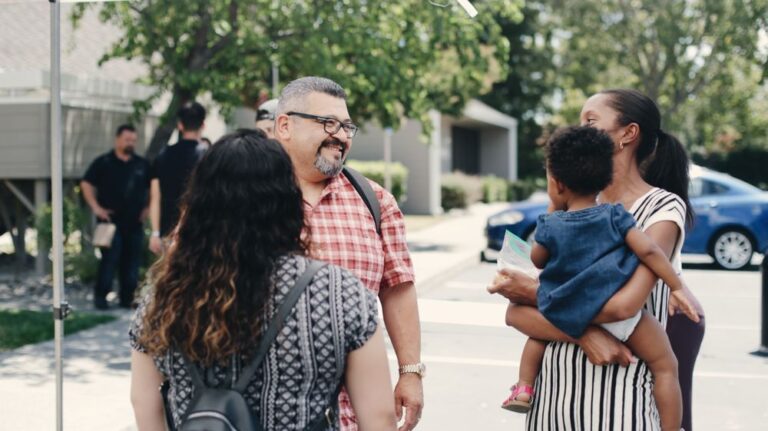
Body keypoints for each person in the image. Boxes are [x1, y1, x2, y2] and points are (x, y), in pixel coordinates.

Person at [129, 129, 397, 430]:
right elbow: (380, 418)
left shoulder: (166, 296)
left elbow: (143, 402)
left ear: (199, 204)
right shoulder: (339, 293)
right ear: (288, 200)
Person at [489, 89, 705, 431]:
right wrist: (585, 335)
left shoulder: (662, 208)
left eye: (590, 121)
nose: (580, 130)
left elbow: (624, 306)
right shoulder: (569, 208)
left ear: (628, 133)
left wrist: (535, 293)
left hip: (621, 406)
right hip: (553, 403)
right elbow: (516, 314)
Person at [274, 77, 423, 431]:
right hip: (267, 407)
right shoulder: (242, 196)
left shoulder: (375, 201)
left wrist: (410, 372)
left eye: (346, 127)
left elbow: (397, 287)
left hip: (353, 413)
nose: (340, 136)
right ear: (285, 126)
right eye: (328, 123)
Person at [81, 124, 150, 310]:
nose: (130, 143)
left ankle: (128, 299)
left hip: (134, 222)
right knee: (109, 261)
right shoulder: (103, 162)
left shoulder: (142, 164)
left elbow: (153, 188)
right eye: (127, 140)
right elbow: (86, 184)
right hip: (110, 222)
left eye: (133, 140)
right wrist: (96, 208)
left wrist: (148, 208)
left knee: (132, 263)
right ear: (117, 139)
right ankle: (101, 298)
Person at [148, 101, 207, 255]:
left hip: (168, 232)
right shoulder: (209, 156)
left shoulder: (163, 156)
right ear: (203, 125)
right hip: (201, 233)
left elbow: (155, 196)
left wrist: (155, 232)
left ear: (180, 125)